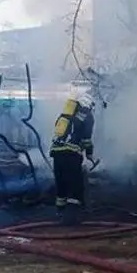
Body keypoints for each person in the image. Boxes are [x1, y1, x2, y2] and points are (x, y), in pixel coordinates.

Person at [49, 91, 96, 225]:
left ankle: (60, 212)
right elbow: (87, 139)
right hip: (72, 154)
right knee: (75, 184)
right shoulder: (88, 116)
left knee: (61, 183)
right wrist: (90, 154)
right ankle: (73, 217)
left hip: (56, 153)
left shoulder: (64, 116)